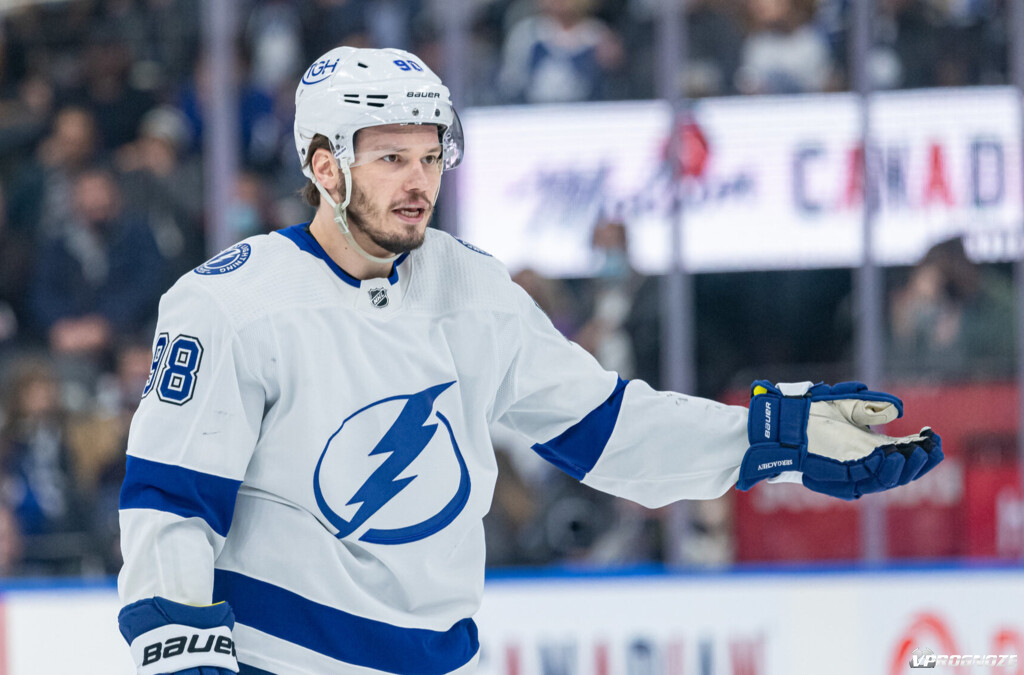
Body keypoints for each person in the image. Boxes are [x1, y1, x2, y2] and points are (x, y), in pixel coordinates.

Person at [116, 46, 943, 675]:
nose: (419, 181)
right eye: (391, 157)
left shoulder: (471, 286)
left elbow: (609, 429)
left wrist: (774, 434)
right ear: (325, 164)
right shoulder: (231, 304)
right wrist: (183, 655)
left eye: (430, 155)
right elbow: (171, 502)